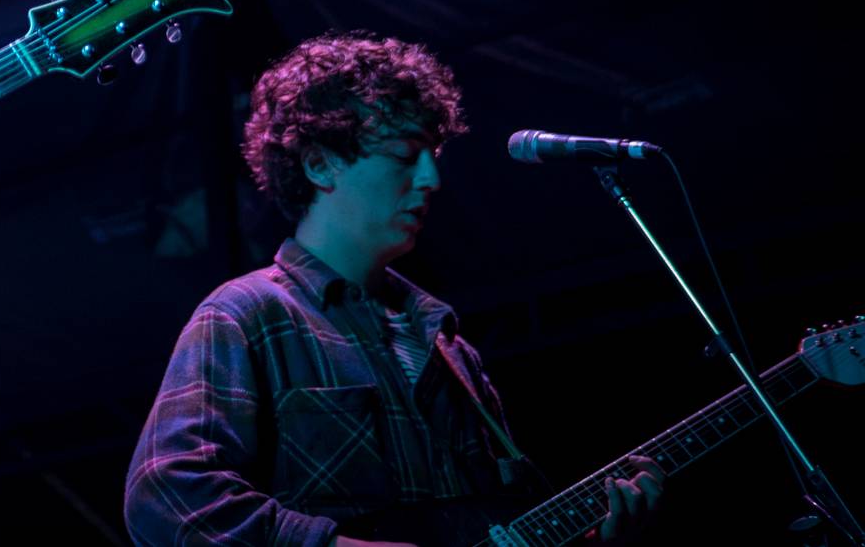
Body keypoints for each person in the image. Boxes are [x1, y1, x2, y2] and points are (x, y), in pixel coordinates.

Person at [124, 33, 661, 546]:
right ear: (319, 163)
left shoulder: (449, 346)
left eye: (434, 156)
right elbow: (164, 493)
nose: (431, 179)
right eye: (406, 156)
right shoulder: (247, 314)